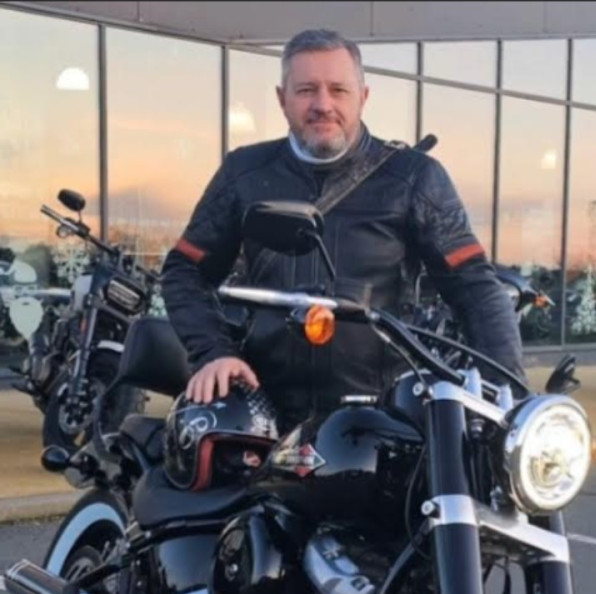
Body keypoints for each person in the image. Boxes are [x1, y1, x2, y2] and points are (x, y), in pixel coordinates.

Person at [160, 28, 525, 434]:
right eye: (306, 90)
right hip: (263, 415)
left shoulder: (415, 178)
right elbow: (185, 270)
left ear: (363, 96)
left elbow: (474, 286)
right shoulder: (243, 172)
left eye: (338, 90)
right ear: (282, 99)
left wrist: (510, 399)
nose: (323, 104)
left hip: (383, 421)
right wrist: (213, 352)